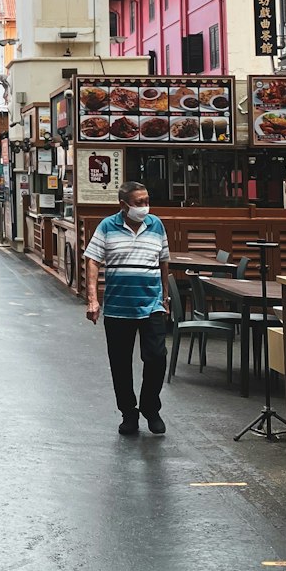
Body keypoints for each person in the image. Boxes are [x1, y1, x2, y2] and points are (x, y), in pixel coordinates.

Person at [83, 180, 171, 437]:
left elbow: (163, 261)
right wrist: (93, 299)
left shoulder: (156, 225)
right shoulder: (107, 226)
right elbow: (92, 260)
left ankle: (150, 408)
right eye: (139, 203)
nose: (145, 207)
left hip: (152, 304)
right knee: (120, 363)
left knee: (156, 357)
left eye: (146, 201)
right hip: (118, 308)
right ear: (124, 205)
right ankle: (128, 413)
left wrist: (165, 297)